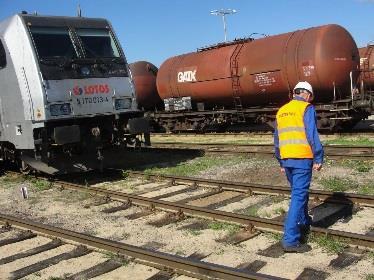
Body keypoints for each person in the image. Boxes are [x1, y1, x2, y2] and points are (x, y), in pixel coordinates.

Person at [274, 81, 324, 253]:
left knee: (298, 192)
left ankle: (303, 222)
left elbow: (277, 140)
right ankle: (290, 240)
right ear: (308, 95)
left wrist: (281, 161)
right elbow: (312, 133)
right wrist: (318, 156)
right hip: (302, 158)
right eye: (311, 97)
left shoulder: (282, 111)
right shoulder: (306, 108)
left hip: (287, 159)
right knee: (298, 197)